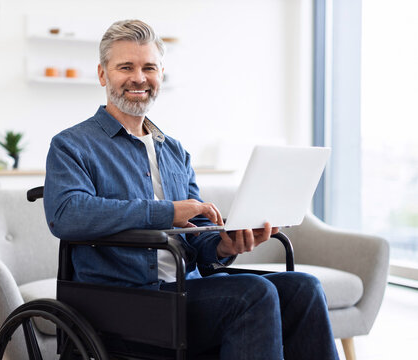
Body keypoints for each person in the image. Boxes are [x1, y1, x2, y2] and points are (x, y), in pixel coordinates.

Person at [44, 19, 339, 360]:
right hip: (125, 301)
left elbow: (198, 240)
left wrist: (225, 244)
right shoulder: (72, 144)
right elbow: (66, 215)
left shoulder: (175, 151)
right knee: (252, 294)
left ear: (160, 74)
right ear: (102, 75)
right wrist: (168, 212)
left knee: (305, 287)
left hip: (186, 290)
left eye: (149, 67)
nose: (139, 78)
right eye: (126, 67)